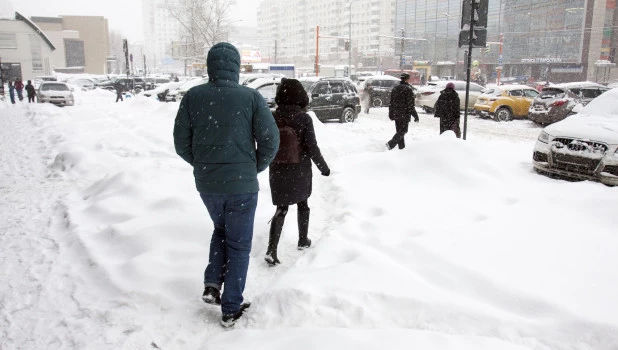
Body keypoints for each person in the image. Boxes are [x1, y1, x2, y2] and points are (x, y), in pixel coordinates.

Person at [173, 42, 280, 328]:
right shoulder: (251, 97)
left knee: (220, 229)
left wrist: (204, 166)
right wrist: (252, 167)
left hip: (208, 185)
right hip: (242, 185)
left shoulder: (194, 97)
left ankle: (212, 284)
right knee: (239, 244)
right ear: (235, 66)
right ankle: (231, 307)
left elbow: (181, 143)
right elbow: (271, 140)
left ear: (210, 65)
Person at [265, 78, 330, 266]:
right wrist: (323, 168)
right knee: (303, 203)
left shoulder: (272, 116)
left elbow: (266, 142)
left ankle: (271, 249)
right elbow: (312, 147)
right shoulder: (303, 118)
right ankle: (303, 240)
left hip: (277, 168)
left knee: (281, 208)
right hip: (299, 169)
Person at [386, 72, 419, 150]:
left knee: (399, 131)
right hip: (404, 113)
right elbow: (410, 105)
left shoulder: (395, 88)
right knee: (403, 131)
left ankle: (402, 148)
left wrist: (391, 112)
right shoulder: (408, 89)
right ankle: (391, 144)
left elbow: (391, 102)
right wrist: (415, 115)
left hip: (396, 113)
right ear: (407, 79)